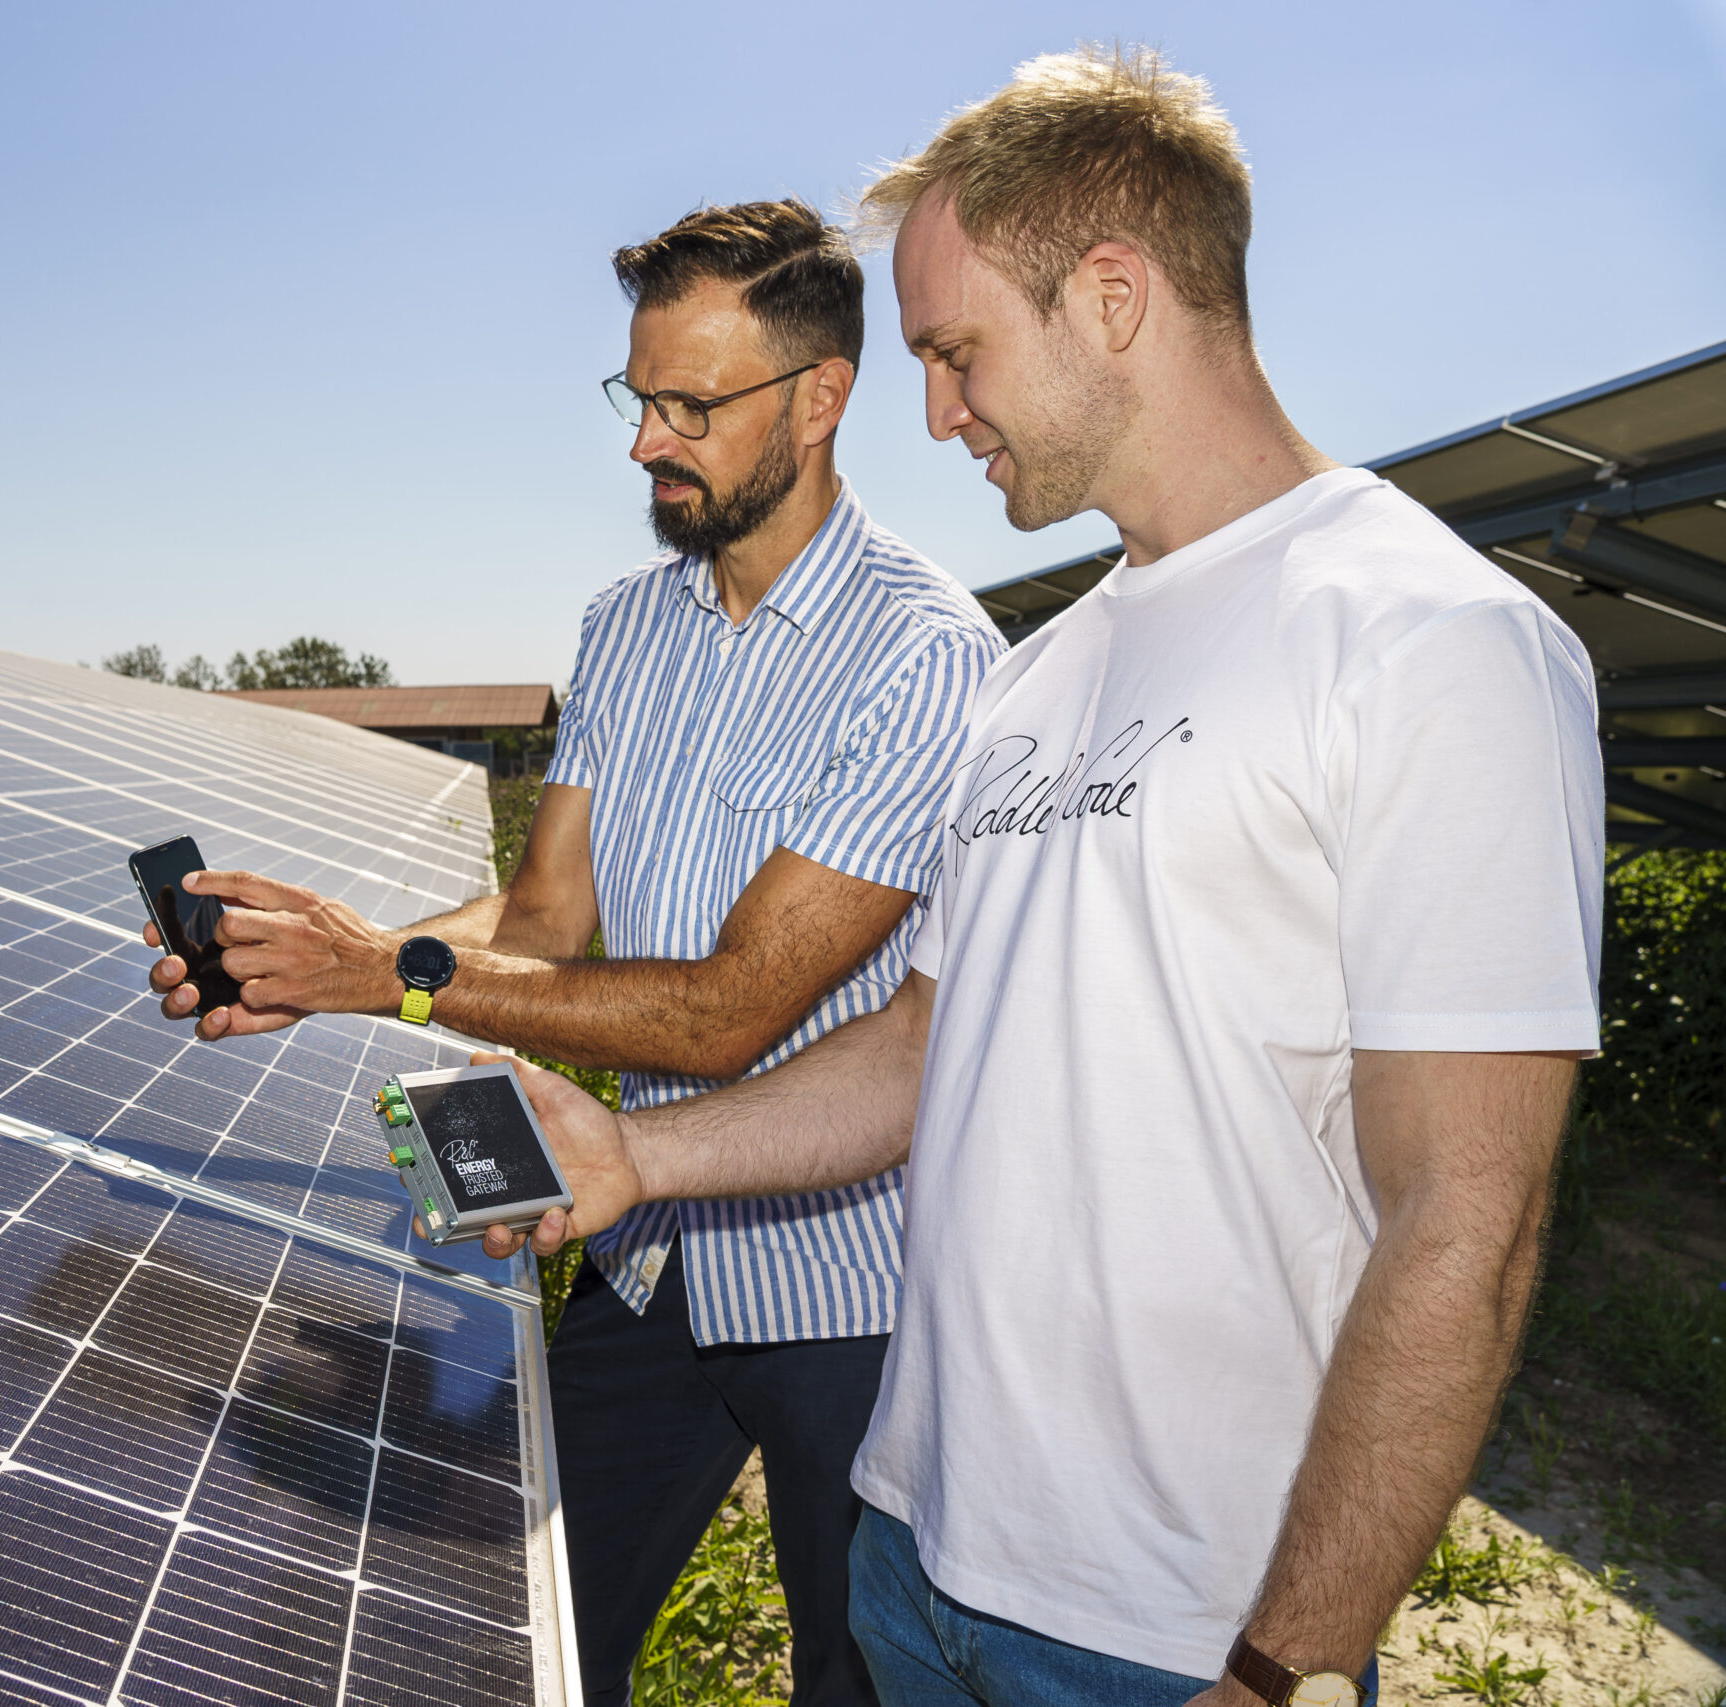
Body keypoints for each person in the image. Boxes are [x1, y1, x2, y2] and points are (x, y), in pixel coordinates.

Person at [480, 45, 1601, 1707]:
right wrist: (643, 1157)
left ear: (1114, 297)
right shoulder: (1037, 676)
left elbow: (1468, 1221)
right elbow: (926, 1047)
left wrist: (1282, 1671)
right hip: (912, 1553)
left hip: (1165, 1638)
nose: (937, 411)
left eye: (956, 352)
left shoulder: (1428, 642)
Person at [143, 200, 1003, 1706]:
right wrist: (317, 955)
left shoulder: (927, 660)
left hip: (854, 1297)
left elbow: (732, 1010)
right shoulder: (623, 629)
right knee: (508, 1642)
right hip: (644, 1247)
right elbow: (541, 922)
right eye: (638, 396)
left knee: (855, 1678)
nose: (647, 443)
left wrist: (386, 974)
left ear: (820, 399)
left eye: (692, 406)